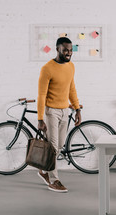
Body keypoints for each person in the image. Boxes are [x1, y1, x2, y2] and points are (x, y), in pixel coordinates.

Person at [36, 37, 81, 193]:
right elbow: (41, 95)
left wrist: (77, 109)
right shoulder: (47, 68)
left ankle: (43, 170)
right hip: (51, 112)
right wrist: (40, 118)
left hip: (65, 110)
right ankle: (54, 180)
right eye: (65, 50)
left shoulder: (71, 67)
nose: (68, 53)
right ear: (57, 49)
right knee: (54, 147)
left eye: (70, 50)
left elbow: (71, 89)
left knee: (59, 145)